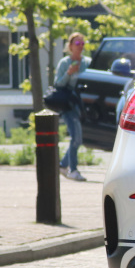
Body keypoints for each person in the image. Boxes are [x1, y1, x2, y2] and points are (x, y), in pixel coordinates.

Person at [54, 32, 90, 181]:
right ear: (70, 46)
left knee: (79, 139)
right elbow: (58, 84)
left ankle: (62, 165)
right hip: (68, 104)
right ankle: (73, 170)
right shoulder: (64, 63)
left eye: (82, 44)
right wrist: (69, 73)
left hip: (82, 104)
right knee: (76, 138)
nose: (80, 46)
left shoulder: (87, 62)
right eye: (77, 44)